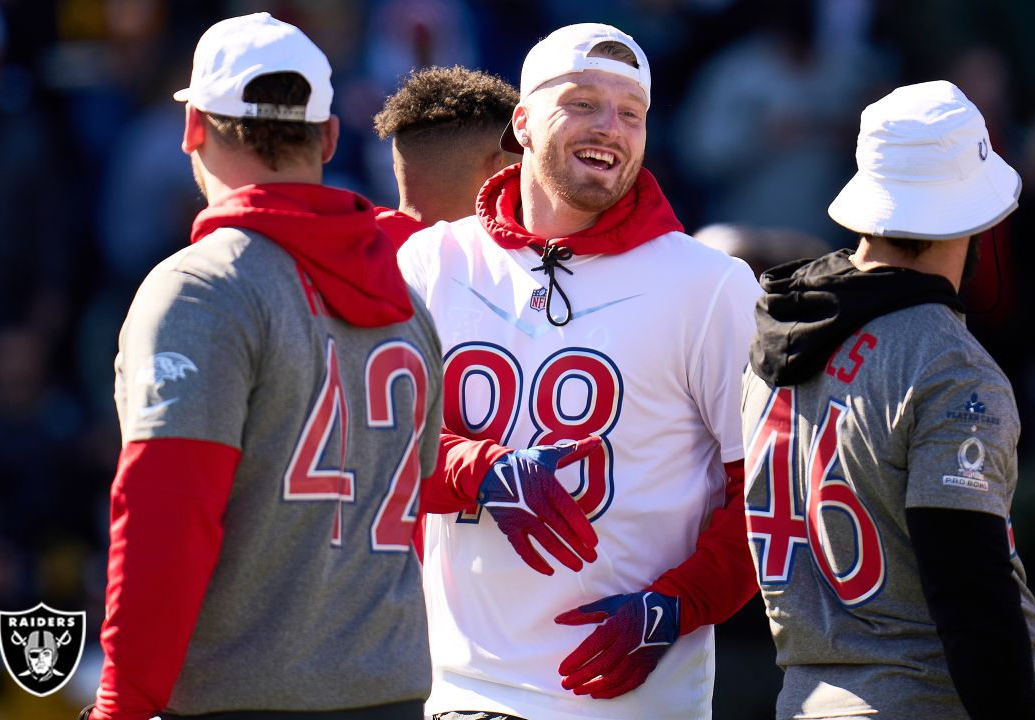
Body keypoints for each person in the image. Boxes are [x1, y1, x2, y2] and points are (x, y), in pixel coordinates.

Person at [81, 13, 442, 720]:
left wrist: (123, 701)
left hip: (241, 701)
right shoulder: (407, 299)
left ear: (192, 131)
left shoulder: (204, 289)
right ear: (330, 136)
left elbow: (166, 513)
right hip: (393, 696)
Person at [397, 22, 761, 720]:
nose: (610, 128)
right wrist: (477, 468)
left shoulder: (711, 285)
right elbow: (371, 452)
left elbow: (767, 494)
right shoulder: (431, 262)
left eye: (632, 112)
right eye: (584, 102)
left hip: (633, 703)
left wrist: (676, 606)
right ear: (524, 122)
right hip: (459, 691)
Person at [741, 80, 1035, 719]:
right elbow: (970, 590)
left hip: (801, 701)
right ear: (978, 214)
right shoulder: (949, 367)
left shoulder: (770, 334)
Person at [373, 65, 519, 242]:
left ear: (397, 169)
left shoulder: (349, 245)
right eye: (520, 169)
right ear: (499, 172)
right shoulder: (485, 263)